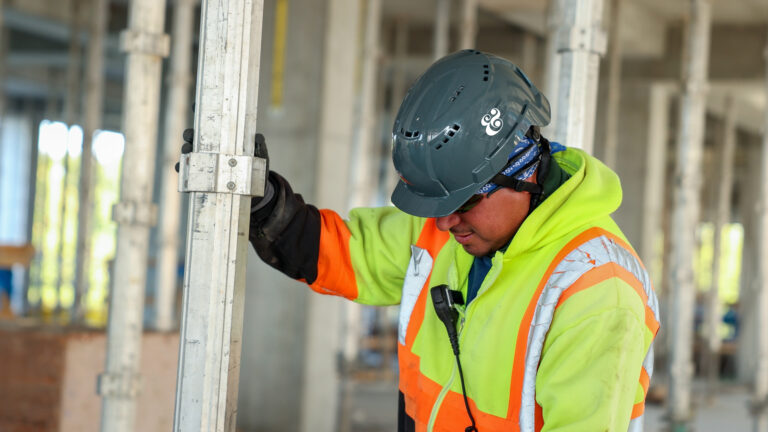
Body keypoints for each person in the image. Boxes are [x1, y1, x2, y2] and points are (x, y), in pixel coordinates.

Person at [186, 49, 660, 432]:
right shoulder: (447, 228)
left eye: (464, 202)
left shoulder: (597, 292)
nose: (446, 221)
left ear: (523, 172)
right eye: (436, 206)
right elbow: (351, 254)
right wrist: (267, 207)